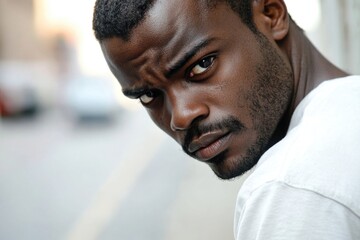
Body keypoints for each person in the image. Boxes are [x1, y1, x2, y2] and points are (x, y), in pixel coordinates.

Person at [92, 0, 360, 239]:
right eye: (149, 96)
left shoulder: (292, 191)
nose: (181, 117)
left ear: (271, 14)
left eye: (201, 65)